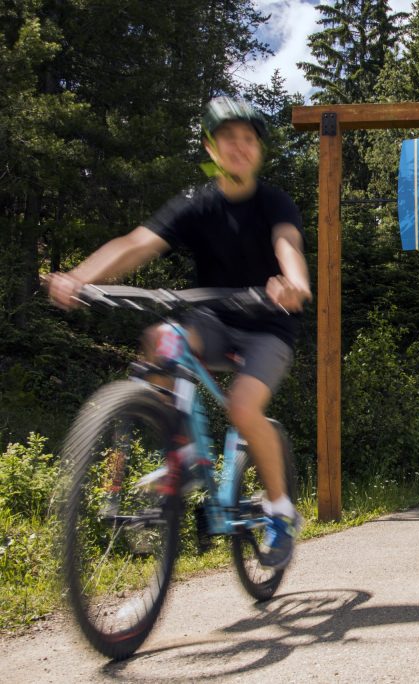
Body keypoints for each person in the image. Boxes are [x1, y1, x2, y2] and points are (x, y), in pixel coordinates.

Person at [45, 96, 311, 569]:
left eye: (249, 139)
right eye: (228, 138)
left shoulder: (273, 201)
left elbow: (286, 243)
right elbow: (136, 243)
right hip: (211, 319)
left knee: (243, 408)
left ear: (259, 150)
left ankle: (280, 511)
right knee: (159, 338)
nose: (240, 147)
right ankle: (183, 450)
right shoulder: (195, 203)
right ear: (211, 148)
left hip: (268, 325)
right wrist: (79, 277)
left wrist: (294, 284)